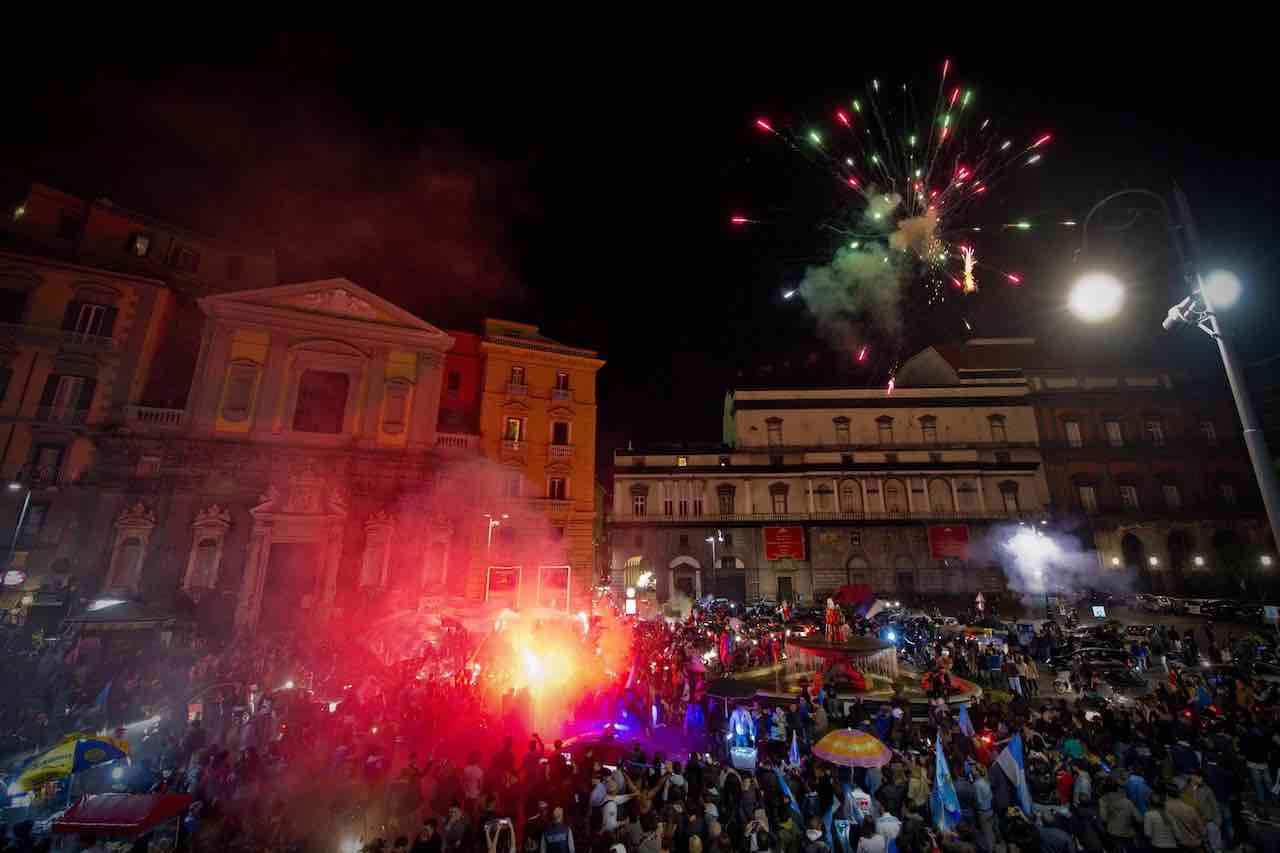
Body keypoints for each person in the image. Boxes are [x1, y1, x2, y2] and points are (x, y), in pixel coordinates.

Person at [1099, 779, 1141, 853]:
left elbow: (1103, 818)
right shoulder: (1127, 801)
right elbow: (1139, 818)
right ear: (1117, 790)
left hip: (1112, 832)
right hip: (1127, 832)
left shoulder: (1103, 801)